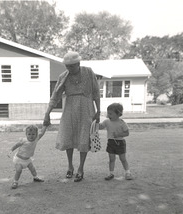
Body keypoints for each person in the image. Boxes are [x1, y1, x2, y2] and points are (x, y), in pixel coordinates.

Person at [43, 51, 100, 182]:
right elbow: (55, 95)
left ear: (78, 63)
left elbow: (96, 92)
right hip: (69, 108)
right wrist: (47, 113)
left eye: (72, 66)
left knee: (84, 137)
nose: (69, 68)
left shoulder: (88, 72)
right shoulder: (64, 76)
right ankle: (70, 166)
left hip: (86, 108)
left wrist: (98, 111)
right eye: (67, 66)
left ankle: (81, 168)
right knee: (68, 135)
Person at [99, 103, 133, 180]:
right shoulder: (107, 121)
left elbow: (127, 133)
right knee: (111, 159)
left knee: (123, 158)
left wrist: (118, 134)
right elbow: (100, 127)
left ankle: (127, 172)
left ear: (118, 114)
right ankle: (111, 173)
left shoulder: (122, 123)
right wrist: (96, 123)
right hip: (111, 142)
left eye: (110, 113)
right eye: (108, 113)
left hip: (120, 143)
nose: (108, 115)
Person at [8, 125, 47, 189]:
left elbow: (42, 133)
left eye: (33, 134)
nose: (31, 136)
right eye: (29, 134)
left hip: (28, 160)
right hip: (19, 159)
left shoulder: (36, 139)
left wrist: (45, 125)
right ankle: (15, 182)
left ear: (36, 134)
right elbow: (16, 145)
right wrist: (10, 151)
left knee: (33, 169)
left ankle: (35, 177)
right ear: (26, 134)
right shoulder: (23, 140)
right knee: (18, 170)